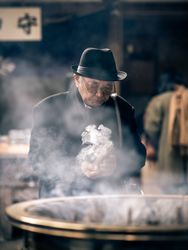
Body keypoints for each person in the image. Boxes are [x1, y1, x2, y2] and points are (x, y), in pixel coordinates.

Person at [28, 48, 146, 198]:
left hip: (106, 202)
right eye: (92, 86)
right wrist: (76, 168)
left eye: (107, 88)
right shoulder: (49, 109)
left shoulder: (122, 110)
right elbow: (37, 159)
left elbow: (140, 156)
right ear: (77, 79)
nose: (99, 94)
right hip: (60, 200)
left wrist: (117, 163)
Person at [142, 72, 188, 194]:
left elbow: (151, 128)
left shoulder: (159, 101)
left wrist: (159, 146)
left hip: (168, 167)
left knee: (170, 204)